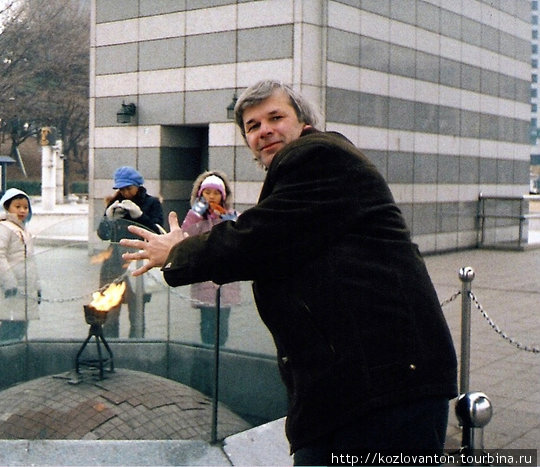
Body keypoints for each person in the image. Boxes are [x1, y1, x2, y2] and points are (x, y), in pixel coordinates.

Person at [119, 80, 458, 464]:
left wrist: (179, 252)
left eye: (275, 117)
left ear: (304, 123)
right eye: (252, 125)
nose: (263, 130)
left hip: (384, 389)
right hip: (358, 387)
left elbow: (259, 238)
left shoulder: (319, 154)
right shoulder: (303, 170)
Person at [96, 166, 163, 338]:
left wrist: (139, 216)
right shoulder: (115, 203)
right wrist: (108, 219)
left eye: (128, 188)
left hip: (137, 261)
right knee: (110, 310)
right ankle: (110, 348)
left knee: (137, 312)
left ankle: (137, 348)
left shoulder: (152, 203)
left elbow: (157, 232)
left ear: (138, 185)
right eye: (121, 188)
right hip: (114, 261)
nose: (125, 192)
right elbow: (102, 234)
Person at [181, 171, 240, 346]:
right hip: (204, 279)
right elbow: (185, 234)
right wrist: (196, 213)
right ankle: (205, 359)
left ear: (223, 196)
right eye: (207, 193)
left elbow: (241, 230)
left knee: (222, 325)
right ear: (200, 195)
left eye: (216, 193)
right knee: (206, 323)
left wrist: (224, 216)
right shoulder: (197, 218)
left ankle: (219, 357)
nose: (211, 197)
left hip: (226, 280)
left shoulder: (230, 215)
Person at [0, 188, 41, 342]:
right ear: (6, 207)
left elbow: (30, 262)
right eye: (17, 206)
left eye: (25, 207)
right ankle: (4, 362)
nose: (22, 210)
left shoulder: (22, 230)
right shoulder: (1, 228)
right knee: (10, 328)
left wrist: (37, 287)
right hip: (11, 289)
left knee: (20, 328)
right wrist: (8, 281)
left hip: (23, 289)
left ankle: (13, 360)